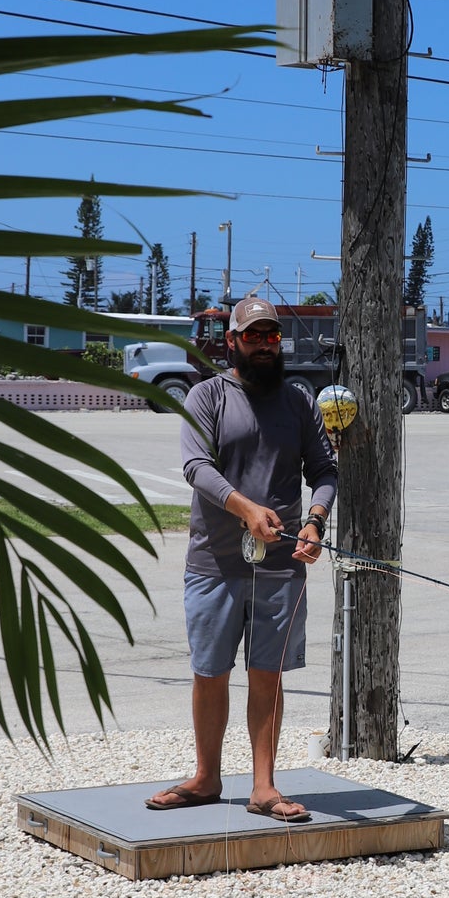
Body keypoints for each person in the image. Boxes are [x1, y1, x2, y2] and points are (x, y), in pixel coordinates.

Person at [147, 295, 338, 823]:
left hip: (281, 565)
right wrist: (247, 508)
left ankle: (263, 787)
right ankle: (206, 778)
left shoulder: (299, 402)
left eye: (271, 336)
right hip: (215, 562)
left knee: (267, 676)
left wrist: (315, 521)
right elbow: (196, 467)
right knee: (210, 673)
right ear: (232, 341)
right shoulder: (207, 396)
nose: (263, 345)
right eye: (252, 336)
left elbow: (325, 471)